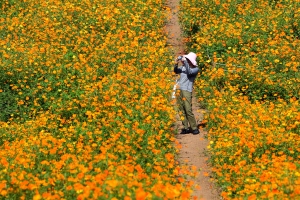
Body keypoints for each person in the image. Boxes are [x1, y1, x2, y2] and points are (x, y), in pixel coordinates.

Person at [174, 52, 200, 135]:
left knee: (188, 109)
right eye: (186, 59)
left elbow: (189, 72)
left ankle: (194, 128)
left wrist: (185, 62)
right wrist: (176, 63)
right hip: (179, 89)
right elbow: (176, 71)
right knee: (181, 109)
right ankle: (185, 127)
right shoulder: (183, 67)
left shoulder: (195, 69)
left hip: (187, 90)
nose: (186, 60)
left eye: (188, 60)